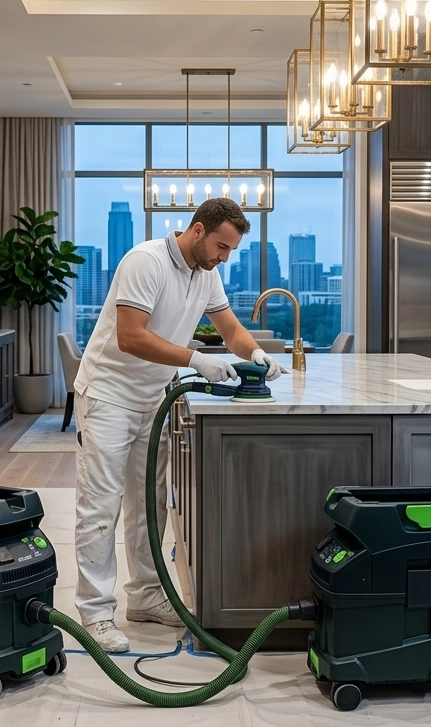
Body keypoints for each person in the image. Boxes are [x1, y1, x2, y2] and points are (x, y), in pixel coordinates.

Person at [72, 198, 283, 651]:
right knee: (101, 505)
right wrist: (195, 359)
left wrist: (257, 354)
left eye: (230, 250)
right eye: (221, 246)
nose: (224, 257)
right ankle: (94, 612)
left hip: (154, 399)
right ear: (198, 229)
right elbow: (130, 337)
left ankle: (146, 596)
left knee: (149, 505)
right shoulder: (145, 262)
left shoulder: (206, 274)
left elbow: (230, 331)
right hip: (108, 396)